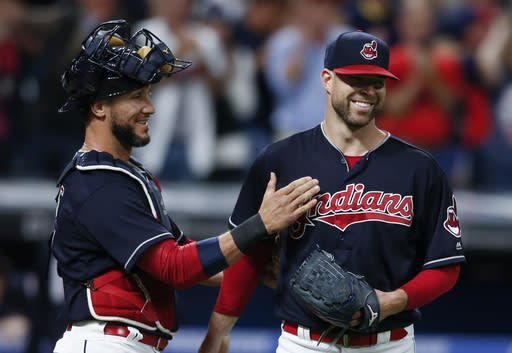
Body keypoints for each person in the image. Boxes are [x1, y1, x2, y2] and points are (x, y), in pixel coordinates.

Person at [50, 19, 320, 353]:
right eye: (136, 96)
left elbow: (184, 255)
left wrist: (254, 268)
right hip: (105, 342)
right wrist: (261, 224)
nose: (149, 107)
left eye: (148, 94)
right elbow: (175, 269)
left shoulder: (122, 174)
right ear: (99, 107)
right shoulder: (97, 182)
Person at [199, 30, 466, 353]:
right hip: (304, 343)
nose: (367, 91)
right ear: (327, 79)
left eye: (376, 82)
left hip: (388, 344)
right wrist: (218, 333)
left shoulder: (419, 168)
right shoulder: (281, 159)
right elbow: (250, 254)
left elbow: (446, 265)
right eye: (356, 80)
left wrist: (391, 302)